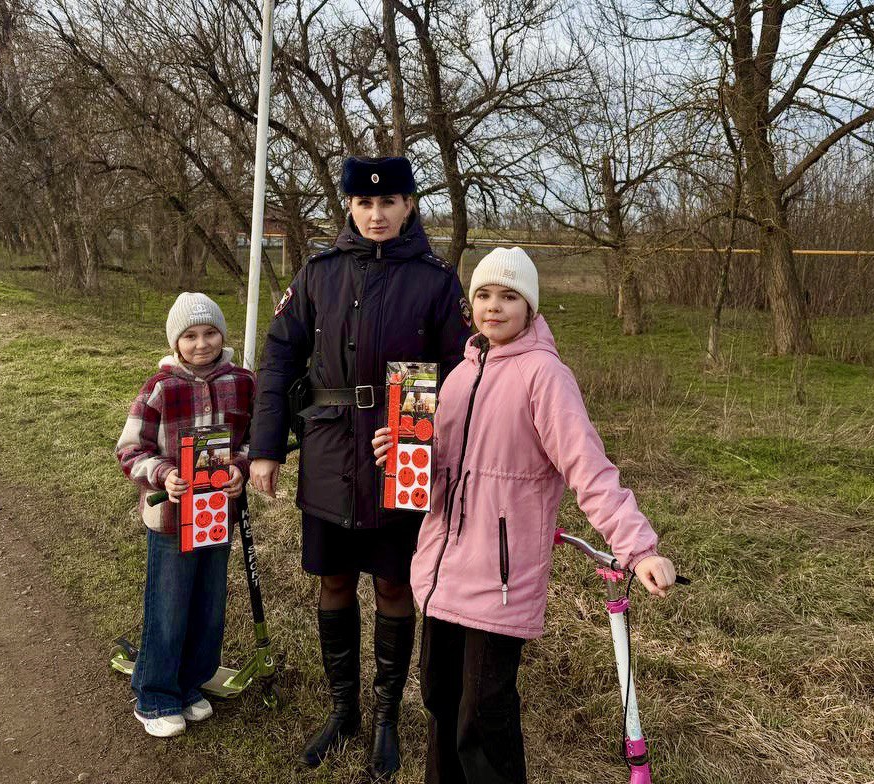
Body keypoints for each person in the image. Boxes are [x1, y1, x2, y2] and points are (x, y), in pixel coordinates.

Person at [373, 247, 678, 783]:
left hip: (500, 577)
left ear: (530, 308)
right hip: (442, 572)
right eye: (485, 295)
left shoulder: (545, 376)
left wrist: (639, 548)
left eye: (509, 296)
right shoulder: (459, 375)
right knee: (440, 698)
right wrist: (400, 452)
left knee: (482, 715)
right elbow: (440, 464)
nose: (495, 307)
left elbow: (589, 467)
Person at [249, 156, 470, 778]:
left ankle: (387, 720)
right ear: (349, 205)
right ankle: (344, 711)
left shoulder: (435, 281)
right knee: (335, 581)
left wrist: (418, 436)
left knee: (396, 586)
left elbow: (459, 372)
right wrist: (265, 447)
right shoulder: (317, 274)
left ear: (408, 206)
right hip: (326, 452)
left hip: (401, 456)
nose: (377, 214)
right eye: (365, 204)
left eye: (390, 202)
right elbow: (278, 359)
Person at [115, 292, 254, 737]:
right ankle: (155, 694)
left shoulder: (243, 381)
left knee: (210, 605)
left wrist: (240, 468)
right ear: (176, 342)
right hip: (172, 521)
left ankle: (191, 683)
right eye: (190, 336)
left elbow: (256, 441)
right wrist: (163, 474)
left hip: (217, 516)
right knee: (169, 607)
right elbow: (130, 449)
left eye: (210, 332)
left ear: (223, 335)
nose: (201, 344)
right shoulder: (160, 387)